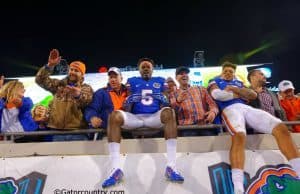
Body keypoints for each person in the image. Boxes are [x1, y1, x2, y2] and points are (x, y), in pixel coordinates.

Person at [208, 61, 300, 194]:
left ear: (234, 74)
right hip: (229, 109)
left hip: (246, 108)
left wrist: (234, 90)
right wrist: (239, 94)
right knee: (239, 135)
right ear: (221, 73)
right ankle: (238, 187)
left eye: (231, 72)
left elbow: (253, 95)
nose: (228, 73)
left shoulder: (238, 83)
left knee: (280, 127)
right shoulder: (214, 80)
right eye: (226, 71)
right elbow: (217, 95)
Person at [101, 58, 184, 188]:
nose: (145, 68)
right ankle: (115, 169)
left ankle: (171, 167)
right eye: (143, 66)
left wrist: (163, 99)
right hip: (136, 118)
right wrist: (130, 100)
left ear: (152, 69)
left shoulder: (161, 80)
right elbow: (127, 107)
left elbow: (166, 102)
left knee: (169, 112)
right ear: (139, 69)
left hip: (154, 117)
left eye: (148, 66)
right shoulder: (132, 81)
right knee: (114, 115)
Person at [35, 49, 93, 141]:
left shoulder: (86, 88)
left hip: (78, 133)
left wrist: (78, 95)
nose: (73, 72)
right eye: (71, 69)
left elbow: (86, 102)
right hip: (57, 132)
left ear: (82, 75)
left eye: (76, 71)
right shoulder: (58, 85)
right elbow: (40, 80)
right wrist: (50, 66)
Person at [169, 66, 219, 136]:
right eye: (181, 73)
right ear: (176, 78)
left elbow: (213, 105)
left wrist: (213, 112)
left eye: (186, 73)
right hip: (187, 128)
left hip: (205, 125)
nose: (184, 75)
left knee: (212, 146)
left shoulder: (201, 89)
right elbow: (173, 112)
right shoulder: (173, 94)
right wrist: (178, 101)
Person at [84, 67, 127, 132]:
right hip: (107, 130)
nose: (112, 80)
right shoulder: (101, 93)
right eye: (110, 77)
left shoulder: (129, 92)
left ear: (121, 78)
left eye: (115, 77)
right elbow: (91, 108)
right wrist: (92, 117)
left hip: (128, 129)